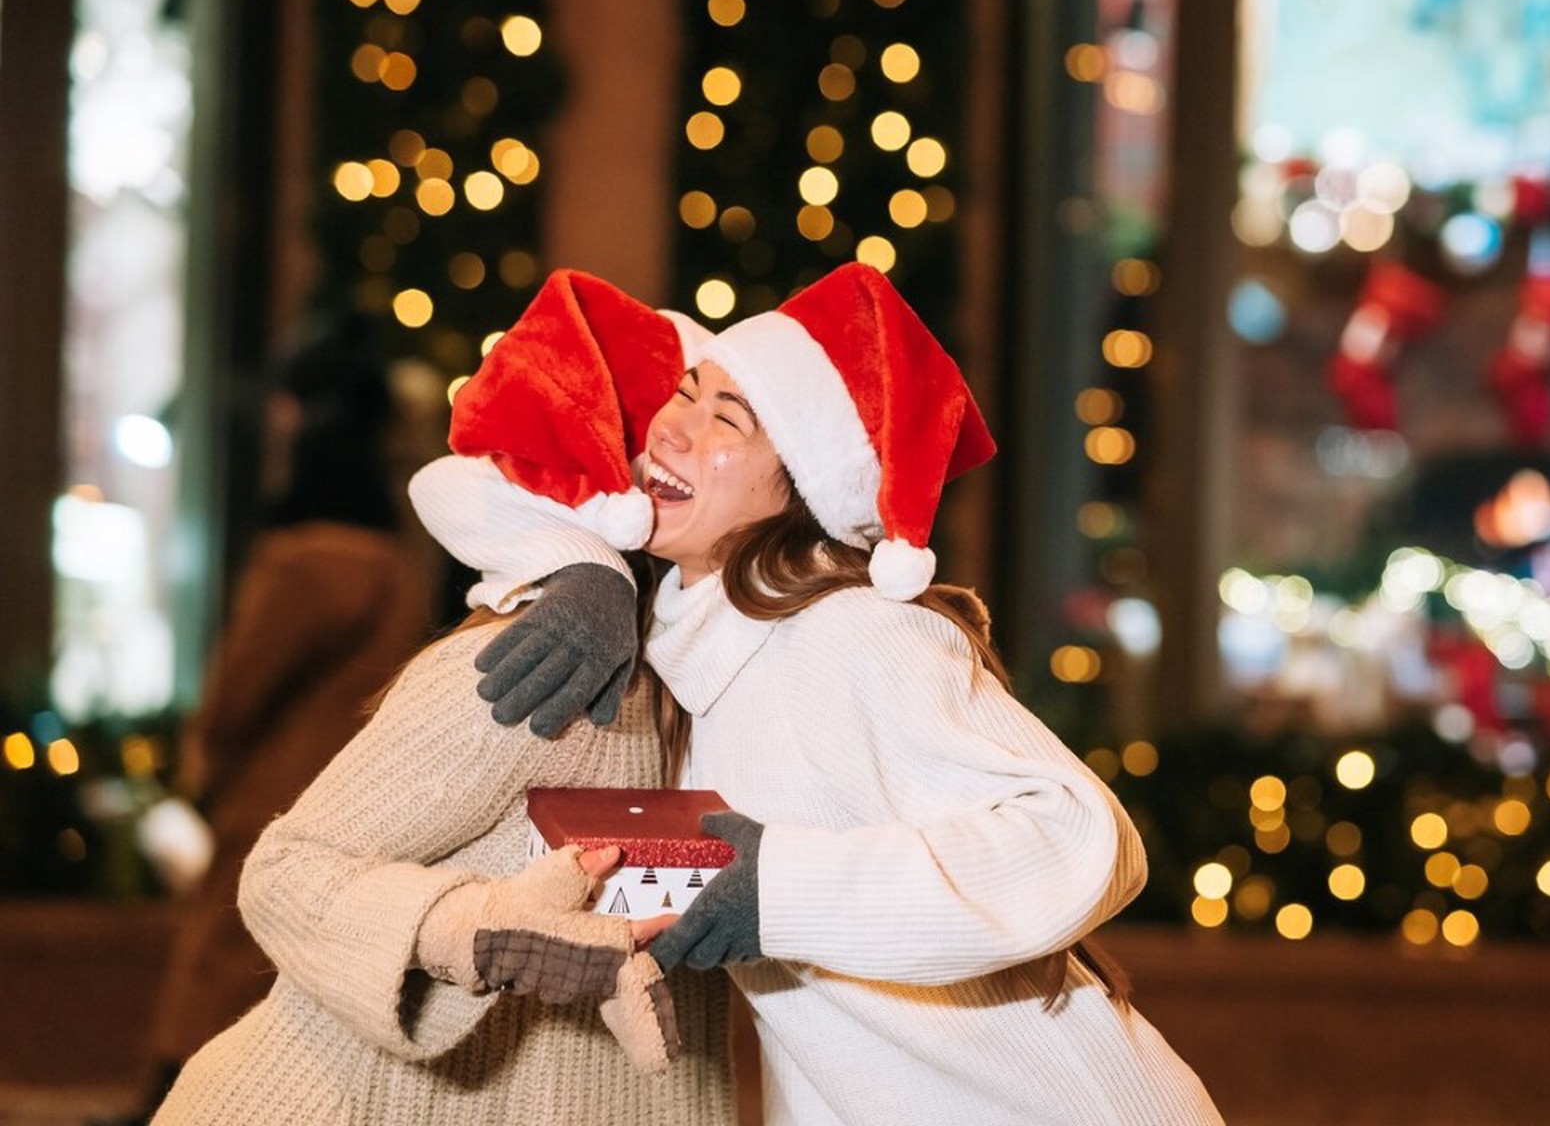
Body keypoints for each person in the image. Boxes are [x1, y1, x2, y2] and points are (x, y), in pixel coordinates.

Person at [420, 262, 1223, 1125]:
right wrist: (583, 571)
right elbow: (472, 470)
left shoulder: (852, 632)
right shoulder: (687, 639)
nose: (673, 430)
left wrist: (780, 890)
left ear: (800, 487)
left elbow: (1079, 837)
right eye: (683, 393)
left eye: (727, 419)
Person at [152, 273, 735, 1125]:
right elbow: (283, 872)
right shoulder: (546, 666)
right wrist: (484, 930)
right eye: (688, 413)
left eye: (734, 421)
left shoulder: (731, 677)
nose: (698, 439)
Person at [142, 316, 435, 1101]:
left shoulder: (303, 558)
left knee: (222, 972)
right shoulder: (395, 557)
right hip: (356, 796)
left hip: (269, 797)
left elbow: (238, 695)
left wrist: (205, 760)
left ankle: (176, 1101)